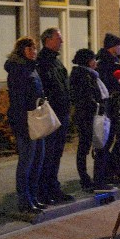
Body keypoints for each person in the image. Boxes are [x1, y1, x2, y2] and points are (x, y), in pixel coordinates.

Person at [5, 37, 45, 219]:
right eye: (29, 48)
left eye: (35, 48)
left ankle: (34, 197)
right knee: (26, 161)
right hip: (24, 121)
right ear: (21, 50)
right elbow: (18, 99)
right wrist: (24, 121)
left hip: (36, 118)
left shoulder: (32, 68)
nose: (33, 51)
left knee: (38, 159)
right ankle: (24, 201)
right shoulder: (17, 69)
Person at [36, 27, 73, 204]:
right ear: (48, 40)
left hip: (62, 114)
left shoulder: (56, 62)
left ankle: (53, 187)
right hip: (52, 115)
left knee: (56, 153)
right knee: (49, 154)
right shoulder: (43, 62)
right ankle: (44, 190)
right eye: (58, 38)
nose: (62, 41)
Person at [70, 48, 110, 192]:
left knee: (89, 147)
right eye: (93, 59)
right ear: (87, 61)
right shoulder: (84, 75)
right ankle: (91, 180)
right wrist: (97, 106)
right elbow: (86, 97)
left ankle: (90, 179)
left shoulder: (88, 74)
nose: (95, 62)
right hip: (88, 117)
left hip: (89, 116)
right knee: (91, 147)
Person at [97, 33, 120, 184]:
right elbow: (114, 82)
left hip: (112, 106)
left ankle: (108, 172)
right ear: (112, 47)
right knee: (109, 140)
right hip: (112, 107)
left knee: (109, 141)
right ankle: (105, 174)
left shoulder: (108, 60)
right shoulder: (109, 63)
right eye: (119, 45)